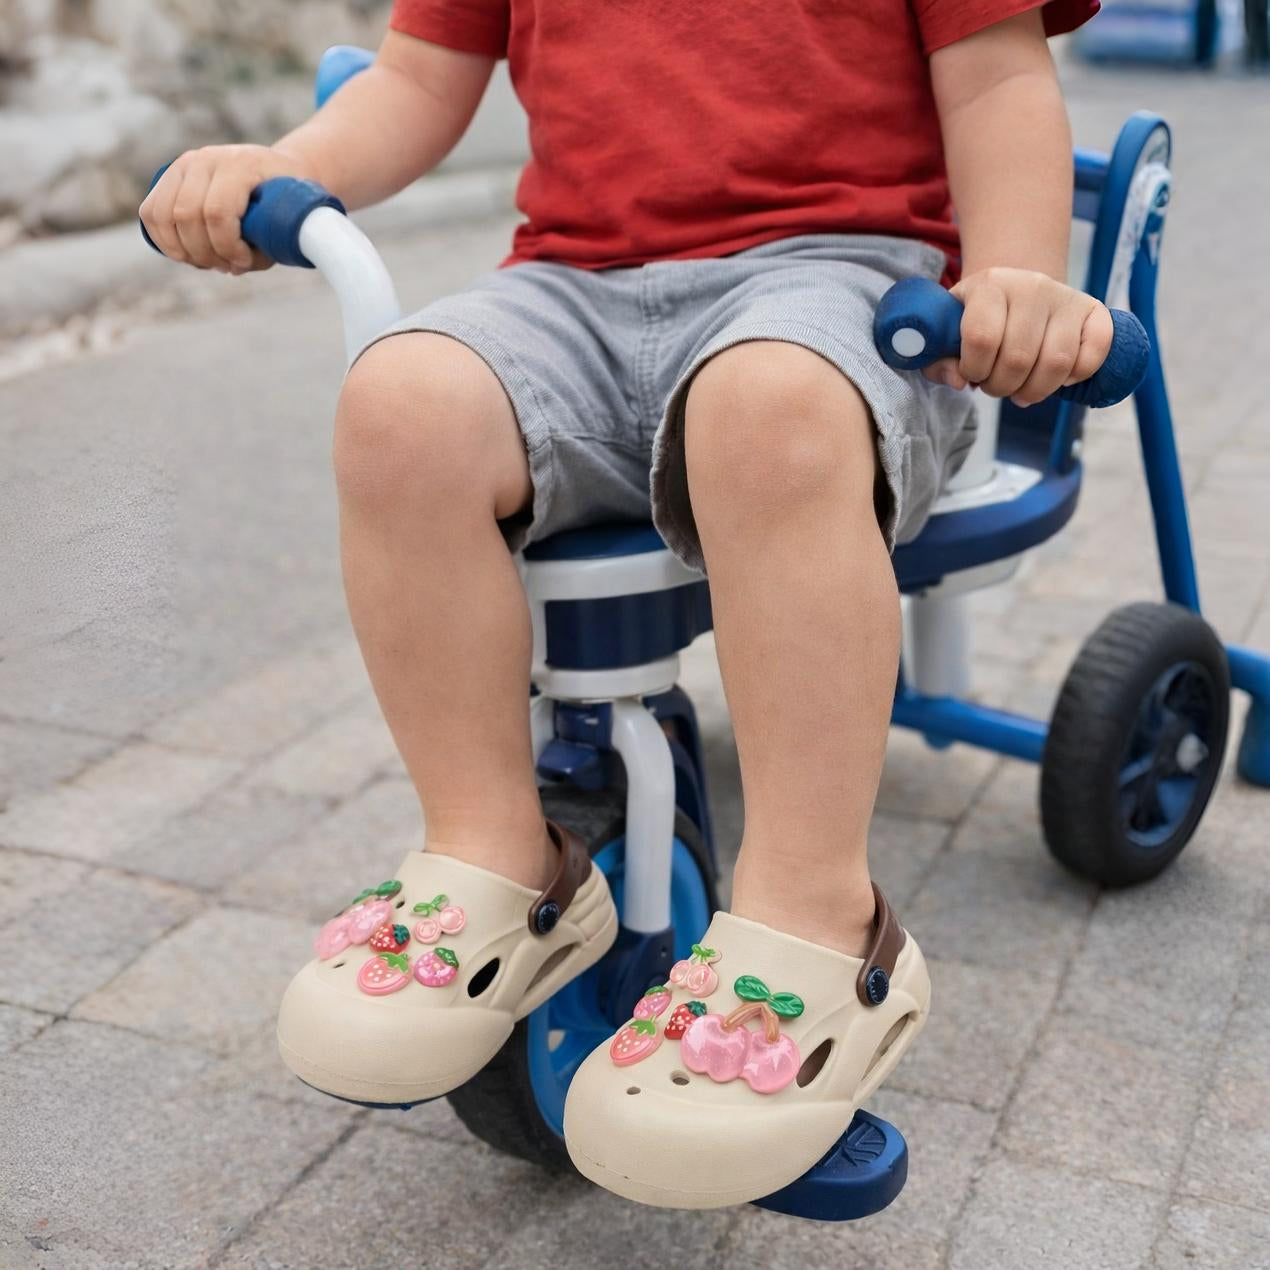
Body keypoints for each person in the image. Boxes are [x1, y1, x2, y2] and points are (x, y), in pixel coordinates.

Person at [141, 0, 1111, 1208]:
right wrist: (286, 168)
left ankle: (818, 914)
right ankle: (496, 847)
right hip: (575, 289)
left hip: (833, 281)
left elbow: (993, 82)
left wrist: (1017, 274)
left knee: (765, 408)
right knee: (399, 407)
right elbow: (415, 79)